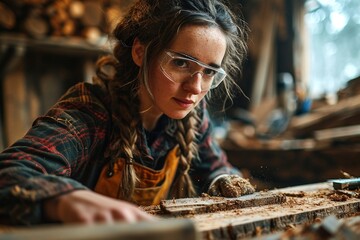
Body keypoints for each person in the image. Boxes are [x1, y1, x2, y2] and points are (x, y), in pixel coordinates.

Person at [0, 0, 255, 226]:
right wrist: (64, 200)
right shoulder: (89, 114)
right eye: (180, 63)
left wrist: (223, 180)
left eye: (209, 71)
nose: (195, 87)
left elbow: (215, 168)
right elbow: (11, 172)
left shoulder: (193, 118)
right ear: (140, 52)